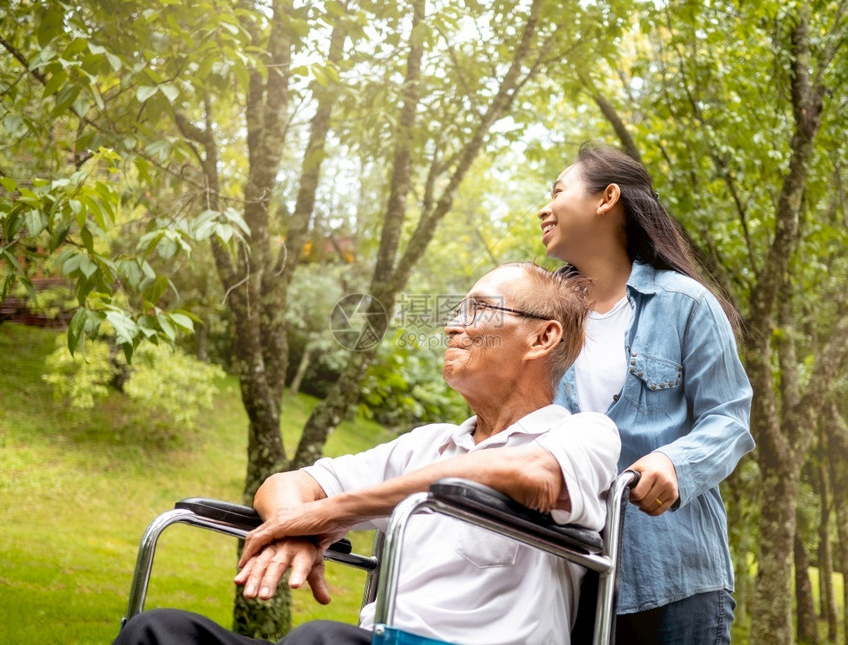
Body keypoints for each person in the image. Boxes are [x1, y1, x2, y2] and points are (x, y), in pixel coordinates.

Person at [115, 262, 621, 645]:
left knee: (319, 641)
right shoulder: (427, 445)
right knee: (160, 632)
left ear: (542, 336)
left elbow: (527, 476)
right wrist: (296, 528)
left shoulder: (585, 436)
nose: (451, 326)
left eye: (477, 310)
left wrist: (335, 511)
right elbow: (287, 484)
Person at [537, 143, 755, 644]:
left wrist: (676, 464)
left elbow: (729, 418)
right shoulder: (542, 316)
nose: (544, 208)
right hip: (570, 572)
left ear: (606, 198)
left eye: (558, 191)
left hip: (675, 577)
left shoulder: (685, 303)